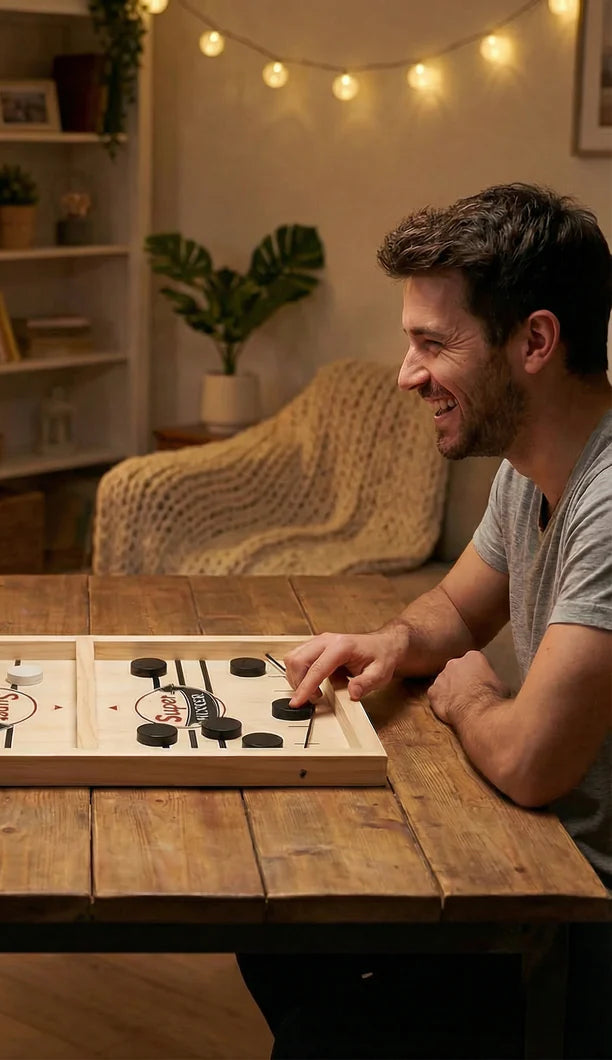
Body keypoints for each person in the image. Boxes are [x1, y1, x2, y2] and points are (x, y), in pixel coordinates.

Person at [239, 183, 612, 1058]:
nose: (408, 375)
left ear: (535, 342)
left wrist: (471, 696)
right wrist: (392, 644)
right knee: (276, 928)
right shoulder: (532, 468)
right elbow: (454, 605)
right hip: (540, 869)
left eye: (432, 344)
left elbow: (528, 762)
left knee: (327, 1032)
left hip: (583, 923)